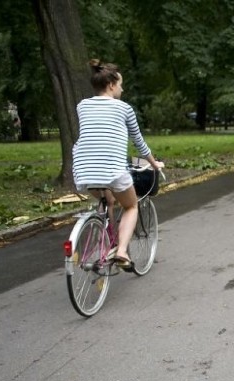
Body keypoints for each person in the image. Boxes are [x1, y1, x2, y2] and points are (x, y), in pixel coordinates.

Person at [72, 59, 163, 270]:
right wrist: (154, 164)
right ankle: (121, 251)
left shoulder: (82, 106)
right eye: (120, 84)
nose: (122, 88)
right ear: (111, 84)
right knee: (131, 206)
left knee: (108, 200)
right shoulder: (124, 109)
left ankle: (108, 242)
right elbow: (139, 143)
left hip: (83, 170)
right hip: (112, 169)